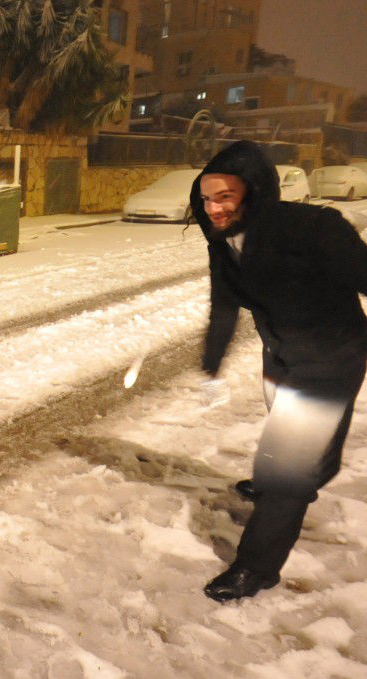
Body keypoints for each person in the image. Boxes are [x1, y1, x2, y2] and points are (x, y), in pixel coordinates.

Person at [189, 140, 367, 602]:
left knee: (284, 464)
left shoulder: (313, 228)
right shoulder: (223, 240)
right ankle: (297, 482)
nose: (213, 208)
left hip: (331, 355)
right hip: (281, 354)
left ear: (255, 191)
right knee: (300, 448)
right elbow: (224, 302)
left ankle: (256, 568)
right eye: (206, 198)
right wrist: (212, 359)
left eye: (224, 196)